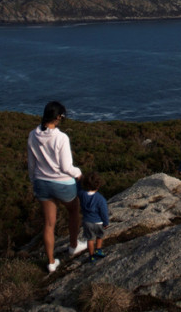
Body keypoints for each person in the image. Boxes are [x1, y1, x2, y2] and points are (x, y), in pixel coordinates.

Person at [27, 101, 87, 273]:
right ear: (58, 117)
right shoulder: (61, 138)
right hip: (62, 183)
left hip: (41, 183)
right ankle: (74, 246)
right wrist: (79, 174)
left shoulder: (32, 135)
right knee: (74, 211)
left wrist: (34, 181)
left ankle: (52, 262)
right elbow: (66, 167)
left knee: (49, 223)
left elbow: (31, 165)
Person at [77, 171, 110, 262]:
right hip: (98, 222)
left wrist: (79, 180)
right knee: (99, 236)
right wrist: (106, 222)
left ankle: (91, 256)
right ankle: (98, 250)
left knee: (90, 240)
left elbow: (78, 189)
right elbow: (104, 212)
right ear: (98, 185)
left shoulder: (82, 195)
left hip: (87, 222)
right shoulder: (100, 199)